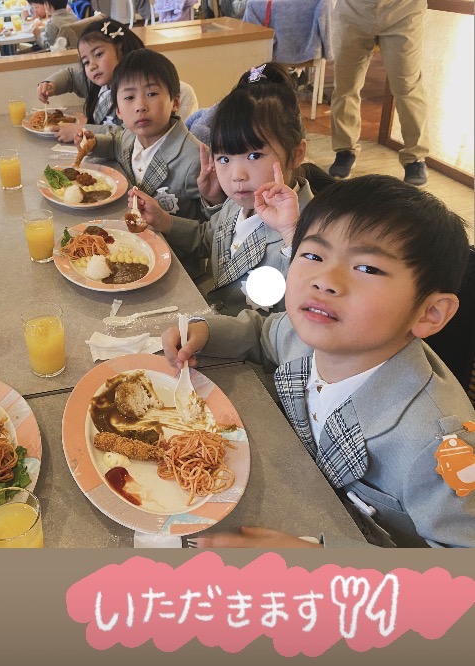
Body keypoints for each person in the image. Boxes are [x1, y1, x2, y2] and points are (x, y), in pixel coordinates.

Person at [162, 175, 475, 548]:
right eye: (313, 255)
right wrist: (207, 332)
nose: (325, 280)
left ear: (429, 313)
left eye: (367, 268)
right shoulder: (307, 335)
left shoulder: (435, 443)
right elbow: (261, 333)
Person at [147, 63, 313, 315]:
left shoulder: (312, 228)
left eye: (254, 155)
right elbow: (209, 239)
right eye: (224, 158)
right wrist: (164, 220)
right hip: (210, 319)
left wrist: (292, 233)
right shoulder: (238, 203)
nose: (236, 176)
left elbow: (300, 313)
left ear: (297, 153)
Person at [76, 48, 206, 279]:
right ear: (118, 110)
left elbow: (213, 231)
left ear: (175, 102)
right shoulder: (129, 136)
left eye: (152, 93)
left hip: (177, 267)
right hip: (129, 248)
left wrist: (167, 222)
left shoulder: (194, 159)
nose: (140, 106)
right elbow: (116, 142)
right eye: (129, 97)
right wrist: (95, 144)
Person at [37, 19, 198, 143]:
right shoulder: (98, 84)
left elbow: (128, 135)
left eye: (98, 54)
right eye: (86, 62)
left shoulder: (138, 93)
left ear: (120, 49)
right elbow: (71, 76)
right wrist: (51, 84)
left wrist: (82, 129)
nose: (92, 66)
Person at [328, 0, 429, 186]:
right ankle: (344, 150)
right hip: (352, 10)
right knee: (345, 86)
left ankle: (415, 157)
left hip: (404, 10)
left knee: (407, 87)